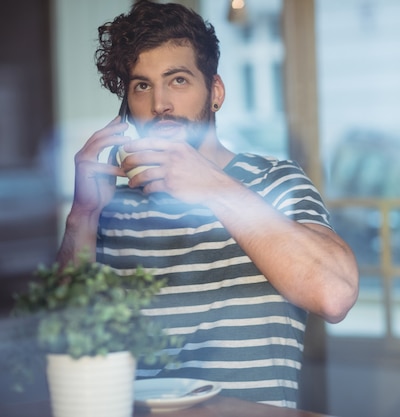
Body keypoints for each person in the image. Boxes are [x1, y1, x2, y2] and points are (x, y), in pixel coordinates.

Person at [55, 0, 358, 409]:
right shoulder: (111, 206)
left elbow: (334, 295)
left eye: (178, 80)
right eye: (142, 85)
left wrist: (212, 186)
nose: (160, 103)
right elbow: (65, 344)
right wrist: (82, 218)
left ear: (214, 92)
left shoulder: (274, 181)